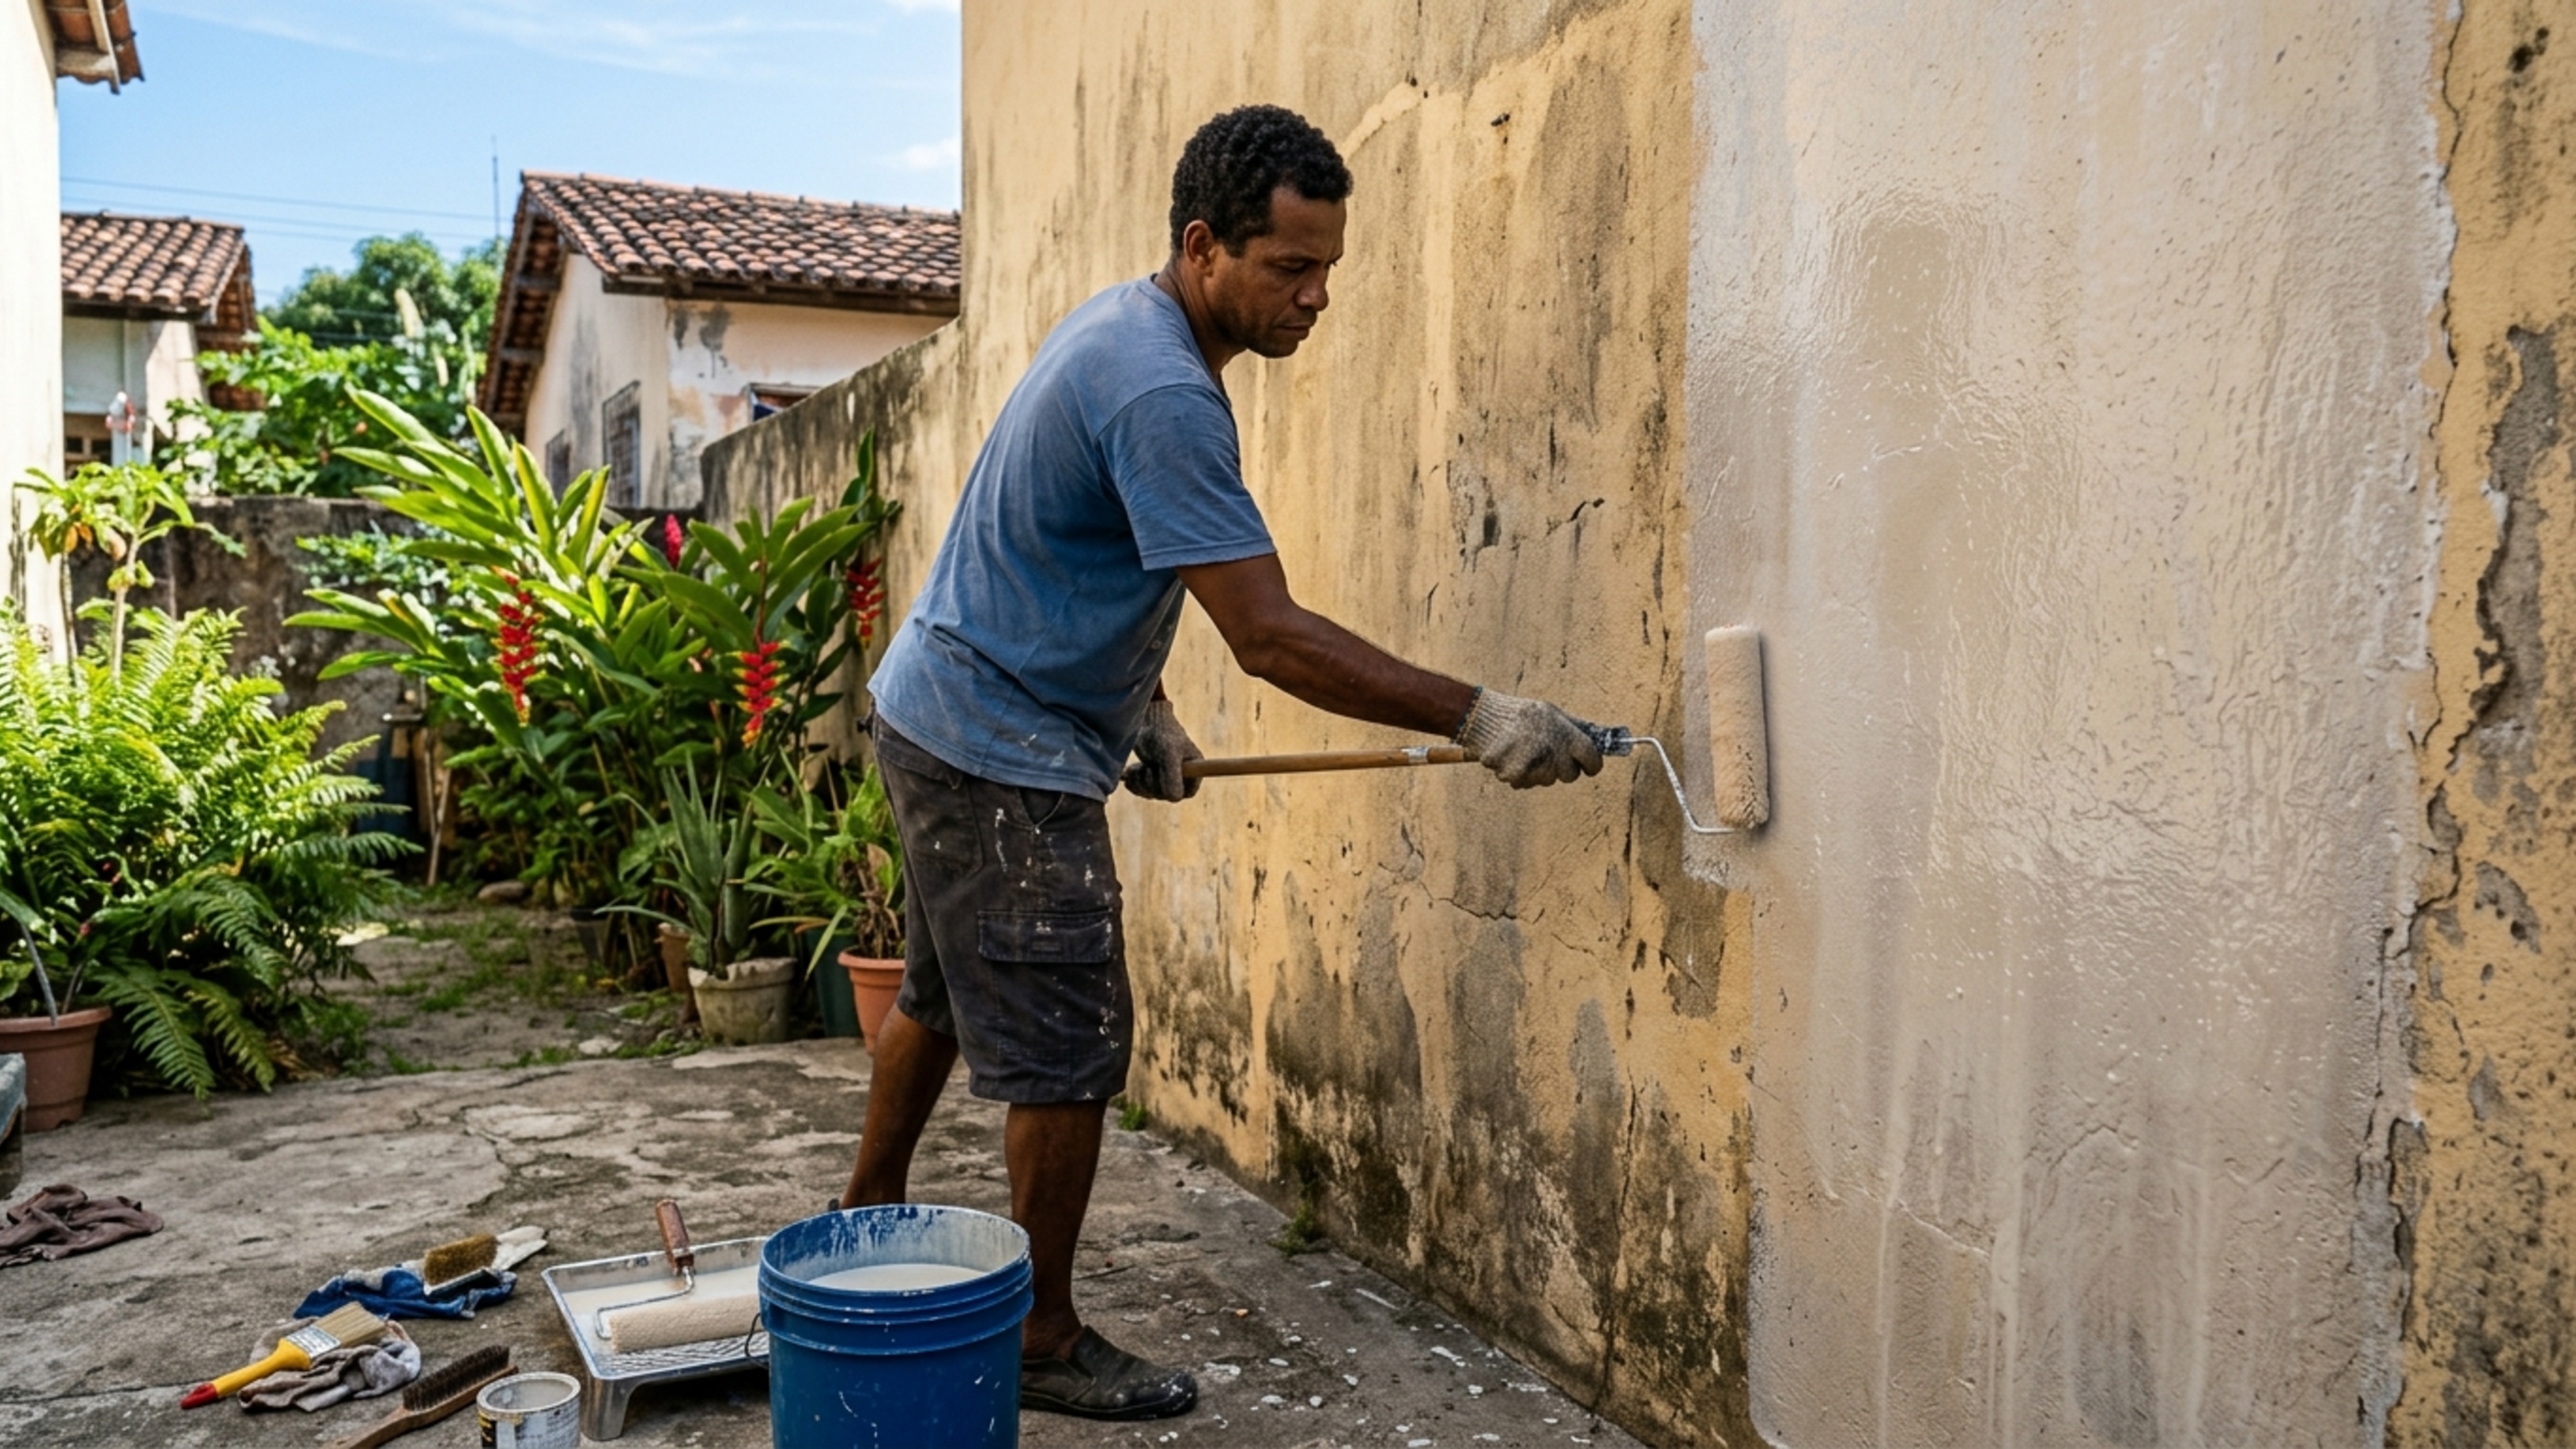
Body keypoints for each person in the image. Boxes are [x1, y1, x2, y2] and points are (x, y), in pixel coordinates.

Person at [841, 103, 1605, 1421]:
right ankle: (1043, 1337)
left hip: (943, 703)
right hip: (995, 745)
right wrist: (1478, 713)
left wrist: (1141, 712)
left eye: (1329, 269)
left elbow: (1072, 548)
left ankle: (861, 1221)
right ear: (1205, 248)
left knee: (945, 988)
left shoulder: (1126, 328)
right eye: (1290, 268)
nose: (1317, 299)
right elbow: (1269, 633)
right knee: (1070, 1038)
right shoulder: (1163, 393)